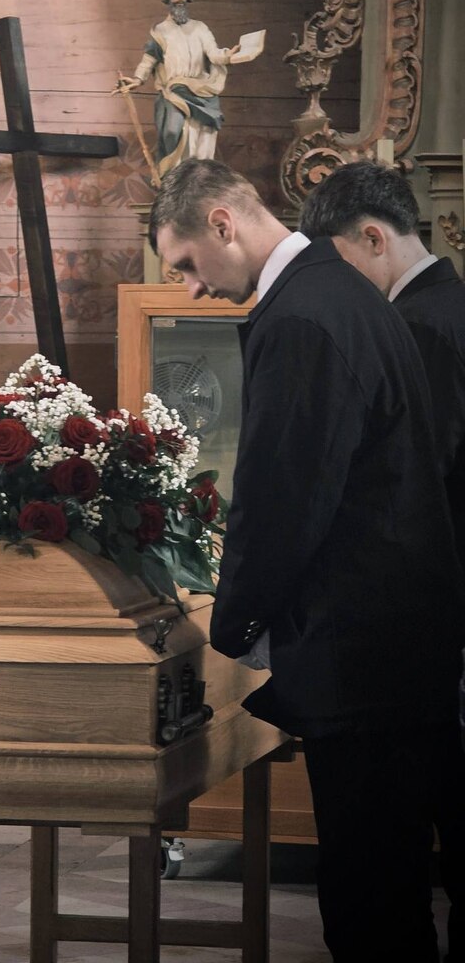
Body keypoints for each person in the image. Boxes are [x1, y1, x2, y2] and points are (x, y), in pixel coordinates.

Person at [150, 157, 465, 963]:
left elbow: (286, 495)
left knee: (369, 903)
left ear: (222, 223)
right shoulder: (342, 292)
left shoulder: (303, 315)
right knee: (388, 884)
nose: (191, 287)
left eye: (186, 264)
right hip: (397, 643)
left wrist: (232, 624)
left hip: (360, 652)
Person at [300, 158, 465, 953]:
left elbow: (413, 487)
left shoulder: (422, 326)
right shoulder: (448, 307)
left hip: (424, 625)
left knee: (388, 871)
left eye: (338, 264)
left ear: (373, 237)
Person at [116, 0, 250, 177]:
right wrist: (137, 79)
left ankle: (198, 179)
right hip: (174, 92)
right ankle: (175, 177)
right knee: (172, 132)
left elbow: (213, 54)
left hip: (201, 91)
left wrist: (227, 55)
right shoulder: (160, 31)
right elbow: (149, 60)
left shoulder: (200, 28)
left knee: (202, 137)